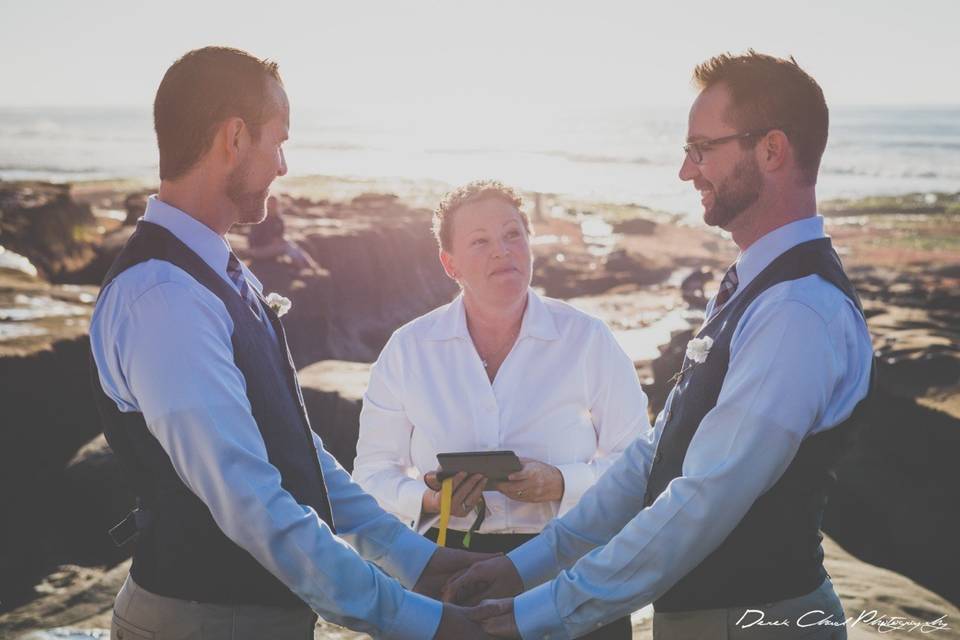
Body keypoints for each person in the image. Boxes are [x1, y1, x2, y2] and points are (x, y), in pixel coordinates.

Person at [448, 51, 875, 640]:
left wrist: (545, 610)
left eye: (702, 149)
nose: (686, 171)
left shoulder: (796, 311)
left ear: (771, 150)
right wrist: (524, 566)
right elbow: (655, 458)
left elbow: (705, 499)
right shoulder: (750, 287)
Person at [88, 46, 492, 640]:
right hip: (203, 624)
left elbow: (293, 450)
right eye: (277, 141)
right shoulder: (163, 299)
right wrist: (416, 620)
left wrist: (415, 559)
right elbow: (250, 499)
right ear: (233, 137)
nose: (282, 165)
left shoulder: (218, 274)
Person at [352, 180, 649, 638]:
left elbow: (639, 460)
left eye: (513, 235)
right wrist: (430, 499)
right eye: (480, 241)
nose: (502, 251)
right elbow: (371, 472)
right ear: (449, 264)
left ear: (530, 245)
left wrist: (562, 482)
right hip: (448, 573)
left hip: (568, 570)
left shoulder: (587, 339)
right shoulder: (409, 349)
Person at [246, 194, 322, 273]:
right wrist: (271, 241)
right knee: (287, 246)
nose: (273, 206)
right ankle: (303, 268)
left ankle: (311, 264)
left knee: (289, 243)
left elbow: (280, 235)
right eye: (270, 204)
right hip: (257, 251)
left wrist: (279, 240)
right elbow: (254, 240)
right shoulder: (261, 219)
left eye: (275, 204)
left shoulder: (278, 219)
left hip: (270, 248)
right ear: (266, 204)